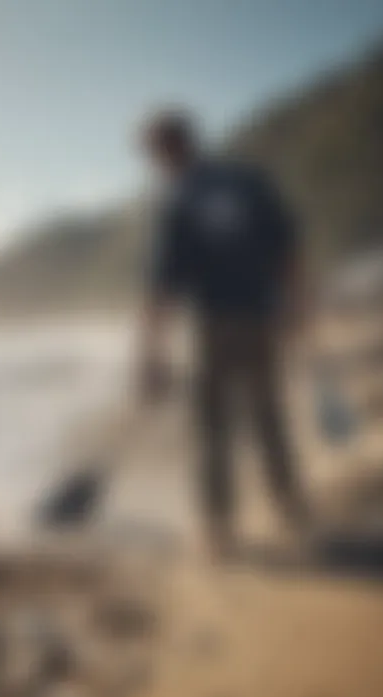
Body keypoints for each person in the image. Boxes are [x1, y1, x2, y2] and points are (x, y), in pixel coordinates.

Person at [137, 109, 311, 560]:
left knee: (213, 425)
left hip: (216, 322)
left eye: (153, 152)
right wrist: (296, 305)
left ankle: (219, 529)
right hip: (261, 316)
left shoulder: (179, 198)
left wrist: (152, 356)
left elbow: (163, 286)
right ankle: (291, 508)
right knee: (267, 414)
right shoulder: (246, 180)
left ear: (168, 149)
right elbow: (287, 242)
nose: (153, 163)